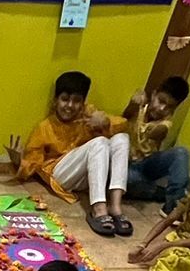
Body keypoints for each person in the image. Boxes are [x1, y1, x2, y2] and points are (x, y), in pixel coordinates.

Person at [11, 70, 131, 238]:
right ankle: (99, 209)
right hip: (61, 176)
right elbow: (33, 162)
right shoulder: (45, 127)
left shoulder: (87, 115)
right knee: (100, 142)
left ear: (83, 103)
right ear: (55, 101)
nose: (69, 106)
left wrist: (105, 122)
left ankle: (116, 207)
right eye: (65, 99)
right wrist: (20, 162)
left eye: (76, 101)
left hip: (86, 177)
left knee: (121, 138)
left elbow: (124, 124)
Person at [124, 76, 190, 214]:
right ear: (153, 94)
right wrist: (133, 103)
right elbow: (124, 117)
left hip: (147, 166)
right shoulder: (139, 107)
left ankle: (173, 206)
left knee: (181, 153)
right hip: (125, 165)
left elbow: (157, 131)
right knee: (126, 179)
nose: (162, 108)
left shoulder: (165, 124)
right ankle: (156, 192)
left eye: (170, 107)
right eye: (161, 101)